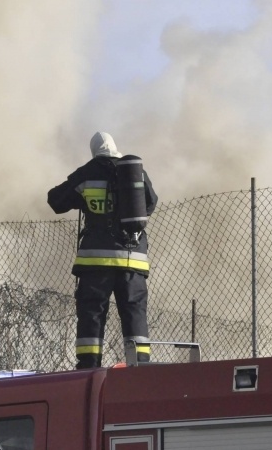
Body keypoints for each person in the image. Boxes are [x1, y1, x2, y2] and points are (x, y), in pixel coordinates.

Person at [48, 132, 158, 368]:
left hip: (96, 262)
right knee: (134, 313)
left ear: (94, 151)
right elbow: (150, 202)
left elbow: (55, 200)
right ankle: (140, 366)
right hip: (133, 260)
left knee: (93, 313)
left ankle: (89, 365)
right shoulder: (135, 171)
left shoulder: (87, 173)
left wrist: (84, 201)